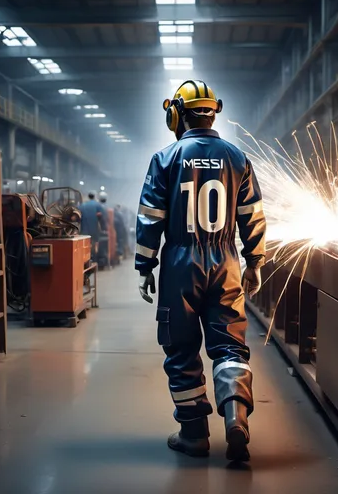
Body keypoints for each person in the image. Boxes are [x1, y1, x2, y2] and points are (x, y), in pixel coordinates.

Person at [135, 80, 266, 461]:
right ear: (214, 112)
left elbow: (150, 218)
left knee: (180, 348)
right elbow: (253, 216)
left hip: (180, 265)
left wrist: (145, 266)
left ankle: (194, 434)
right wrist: (255, 260)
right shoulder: (237, 157)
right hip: (225, 262)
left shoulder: (166, 158)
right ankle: (236, 415)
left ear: (176, 114)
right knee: (229, 345)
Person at [79, 191, 106, 262]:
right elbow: (102, 218)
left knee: (85, 246)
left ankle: (85, 260)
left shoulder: (82, 205)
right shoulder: (98, 205)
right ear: (95, 197)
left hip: (84, 230)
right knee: (94, 245)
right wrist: (104, 228)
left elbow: (78, 217)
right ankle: (93, 260)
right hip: (94, 230)